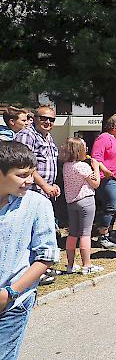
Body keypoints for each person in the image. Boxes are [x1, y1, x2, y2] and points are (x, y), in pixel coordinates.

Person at [0, 141, 59, 360]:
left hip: (13, 301)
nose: (29, 181)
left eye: (31, 174)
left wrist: (10, 293)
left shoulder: (36, 204)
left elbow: (46, 256)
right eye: (22, 175)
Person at [60, 138, 103, 274]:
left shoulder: (66, 166)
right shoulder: (83, 166)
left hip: (71, 202)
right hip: (86, 201)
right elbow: (95, 183)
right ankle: (87, 265)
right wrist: (96, 168)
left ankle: (70, 265)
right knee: (85, 234)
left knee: (72, 233)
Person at [91, 114, 116, 248]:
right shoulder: (104, 138)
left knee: (115, 207)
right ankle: (103, 235)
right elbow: (96, 157)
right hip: (109, 178)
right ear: (114, 125)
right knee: (110, 207)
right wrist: (105, 170)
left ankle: (110, 232)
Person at [14, 105, 60, 199]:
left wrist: (52, 185)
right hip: (29, 192)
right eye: (43, 118)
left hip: (44, 193)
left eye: (51, 120)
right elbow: (24, 165)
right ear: (34, 119)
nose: (48, 122)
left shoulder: (48, 137)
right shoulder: (27, 134)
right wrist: (45, 186)